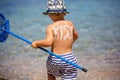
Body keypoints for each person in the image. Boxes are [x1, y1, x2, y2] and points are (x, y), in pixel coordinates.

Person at [31, 0, 79, 80]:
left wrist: (36, 43)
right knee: (70, 76)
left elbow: (48, 42)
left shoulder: (51, 27)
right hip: (70, 58)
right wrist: (69, 43)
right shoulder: (70, 23)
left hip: (55, 59)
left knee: (51, 74)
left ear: (50, 14)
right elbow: (76, 36)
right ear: (64, 13)